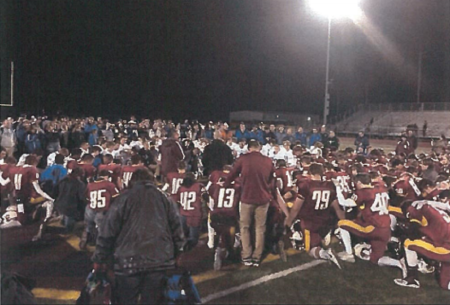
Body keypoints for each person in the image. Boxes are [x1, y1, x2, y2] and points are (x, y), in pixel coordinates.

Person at [92, 168, 186, 304]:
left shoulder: (122, 199)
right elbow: (177, 229)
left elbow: (107, 233)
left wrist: (99, 259)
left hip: (127, 262)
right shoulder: (165, 198)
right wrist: (179, 253)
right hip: (159, 260)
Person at [224, 139, 275, 267]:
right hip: (263, 198)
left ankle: (246, 255)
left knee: (245, 227)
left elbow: (232, 174)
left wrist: (226, 184)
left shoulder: (243, 159)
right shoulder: (268, 160)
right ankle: (257, 256)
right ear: (259, 148)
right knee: (260, 228)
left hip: (247, 197)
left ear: (249, 148)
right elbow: (272, 180)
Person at [394, 200, 450, 290]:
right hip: (445, 243)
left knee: (408, 242)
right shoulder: (431, 209)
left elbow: (413, 232)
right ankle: (429, 263)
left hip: (446, 248)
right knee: (445, 284)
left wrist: (403, 230)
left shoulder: (413, 210)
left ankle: (412, 279)